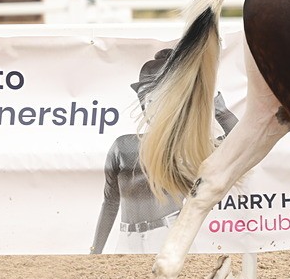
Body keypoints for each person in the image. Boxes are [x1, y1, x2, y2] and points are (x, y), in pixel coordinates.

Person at [89, 49, 238, 254]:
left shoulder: (187, 145)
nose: (150, 107)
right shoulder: (122, 146)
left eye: (160, 99)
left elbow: (237, 141)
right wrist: (95, 251)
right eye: (146, 101)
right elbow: (111, 201)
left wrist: (213, 99)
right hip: (127, 238)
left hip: (169, 233)